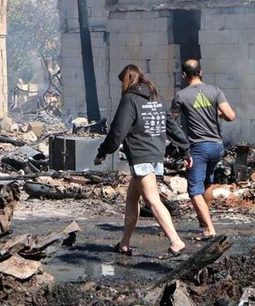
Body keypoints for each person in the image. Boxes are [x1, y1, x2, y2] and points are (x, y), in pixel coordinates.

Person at [95, 64, 189, 258]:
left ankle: (176, 241)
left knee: (152, 201)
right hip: (155, 156)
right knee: (132, 199)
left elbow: (117, 132)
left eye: (122, 82)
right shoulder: (157, 98)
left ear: (127, 80)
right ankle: (124, 243)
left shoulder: (129, 100)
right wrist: (185, 150)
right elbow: (172, 126)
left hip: (140, 157)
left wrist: (103, 151)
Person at [171, 59, 236, 240]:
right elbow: (230, 115)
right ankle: (203, 222)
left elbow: (171, 121)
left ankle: (209, 229)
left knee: (194, 190)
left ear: (184, 75)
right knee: (207, 183)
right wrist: (215, 113)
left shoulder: (181, 96)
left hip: (198, 147)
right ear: (201, 72)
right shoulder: (215, 91)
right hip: (216, 146)